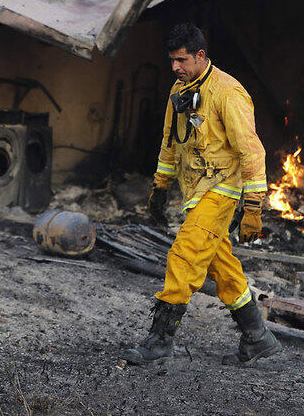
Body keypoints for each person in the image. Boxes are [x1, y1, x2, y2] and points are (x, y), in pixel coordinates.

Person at [121, 23, 282, 367]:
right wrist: (160, 188)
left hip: (222, 188)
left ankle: (160, 340)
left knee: (185, 254)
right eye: (172, 61)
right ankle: (258, 338)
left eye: (181, 60)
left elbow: (251, 150)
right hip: (195, 192)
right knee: (221, 266)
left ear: (200, 56)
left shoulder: (227, 92)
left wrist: (254, 205)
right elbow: (170, 141)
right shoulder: (178, 90)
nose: (175, 67)